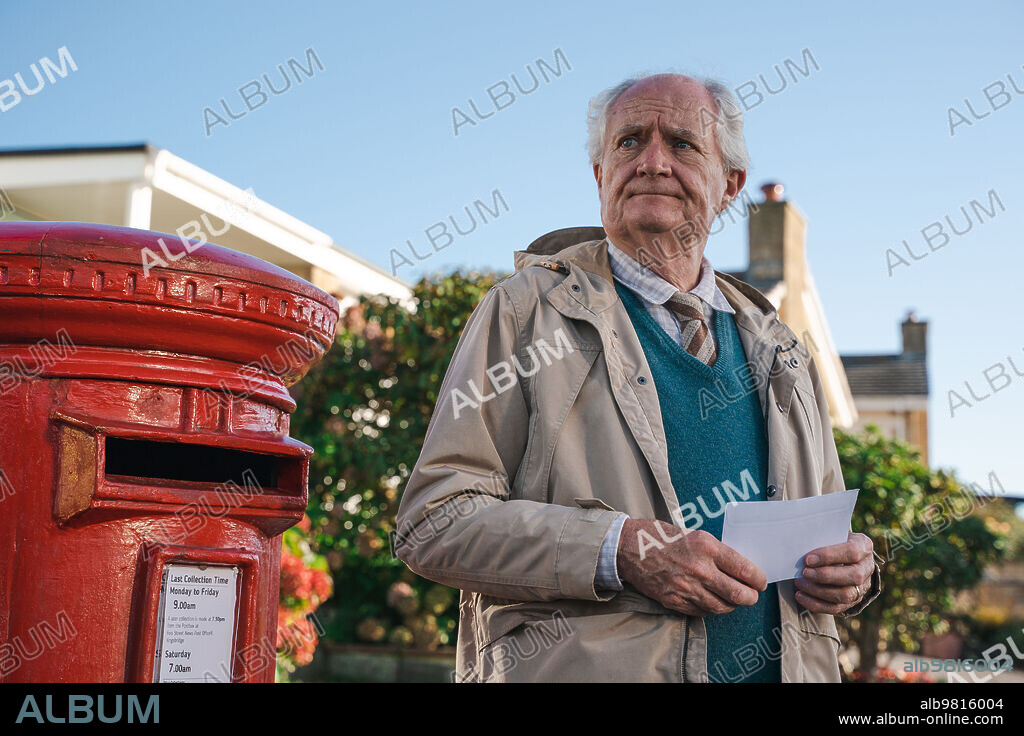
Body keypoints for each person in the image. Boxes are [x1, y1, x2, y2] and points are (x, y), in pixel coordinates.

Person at [395, 72, 880, 682]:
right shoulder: (523, 311)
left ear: (729, 185)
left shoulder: (782, 347)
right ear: (601, 174)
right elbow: (434, 521)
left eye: (682, 143)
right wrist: (621, 550)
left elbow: (828, 530)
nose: (652, 162)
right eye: (629, 142)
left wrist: (853, 571)